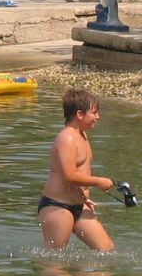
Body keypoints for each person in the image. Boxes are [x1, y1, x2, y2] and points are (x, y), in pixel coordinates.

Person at [40, 88, 116, 252]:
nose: (98, 117)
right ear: (80, 114)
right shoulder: (66, 138)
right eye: (94, 113)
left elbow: (80, 172)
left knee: (106, 250)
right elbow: (69, 175)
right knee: (55, 260)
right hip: (58, 206)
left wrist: (82, 196)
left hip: (79, 204)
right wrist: (99, 182)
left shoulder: (82, 134)